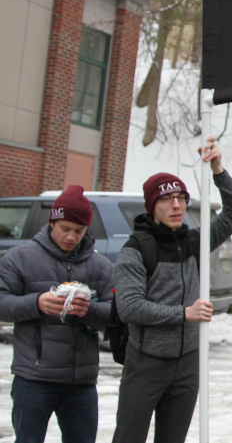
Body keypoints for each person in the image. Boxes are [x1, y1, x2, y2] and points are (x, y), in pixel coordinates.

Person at [111, 137, 232, 443]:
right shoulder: (135, 250)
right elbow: (130, 307)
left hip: (188, 362)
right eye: (166, 199)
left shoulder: (193, 242)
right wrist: (184, 313)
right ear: (152, 206)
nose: (176, 205)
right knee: (128, 439)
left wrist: (217, 169)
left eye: (181, 198)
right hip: (146, 362)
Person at [0, 185, 114, 443]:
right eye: (65, 228)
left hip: (81, 381)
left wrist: (89, 310)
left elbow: (116, 313)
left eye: (79, 230)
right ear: (52, 222)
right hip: (34, 376)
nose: (71, 236)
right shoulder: (20, 258)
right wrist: (36, 303)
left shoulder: (100, 265)